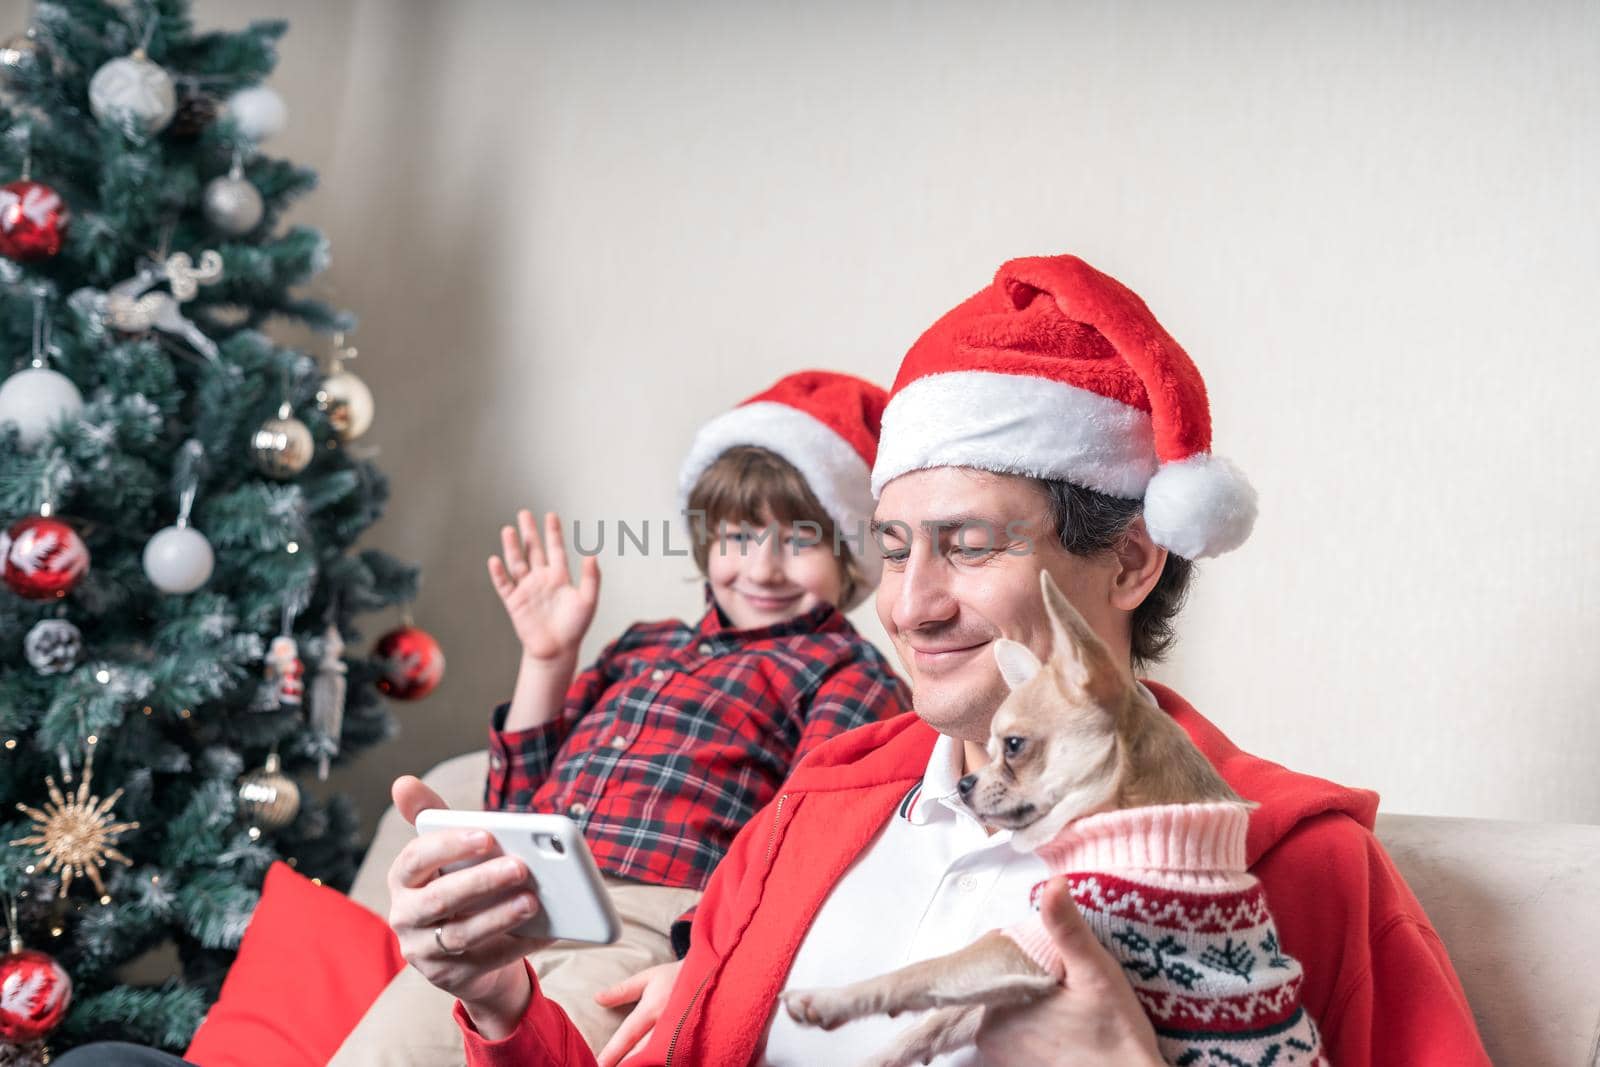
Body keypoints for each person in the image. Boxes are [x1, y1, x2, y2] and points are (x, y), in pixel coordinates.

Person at [384, 253, 1491, 1066]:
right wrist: (499, 1004)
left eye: (969, 543)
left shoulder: (1293, 859)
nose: (908, 605)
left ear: (1134, 561)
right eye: (895, 546)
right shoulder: (814, 807)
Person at [328, 369, 910, 1063]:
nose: (762, 566)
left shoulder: (846, 670)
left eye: (799, 540)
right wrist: (548, 659)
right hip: (518, 897)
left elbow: (806, 845)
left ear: (850, 556)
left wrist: (709, 965)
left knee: (550, 1051)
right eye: (740, 536)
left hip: (649, 923)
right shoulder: (644, 644)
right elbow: (519, 805)